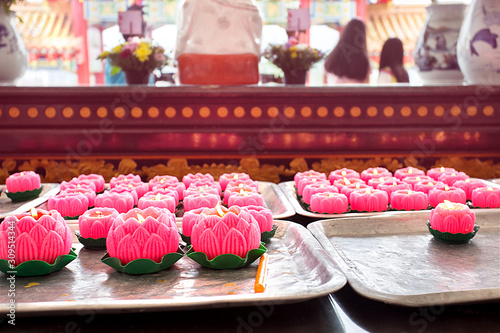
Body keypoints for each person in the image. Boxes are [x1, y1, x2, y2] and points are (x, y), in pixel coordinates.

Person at [324, 18, 371, 84]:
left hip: (334, 93)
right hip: (356, 94)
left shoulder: (331, 58)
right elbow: (366, 87)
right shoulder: (364, 63)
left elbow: (324, 85)